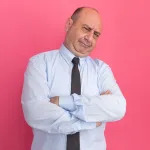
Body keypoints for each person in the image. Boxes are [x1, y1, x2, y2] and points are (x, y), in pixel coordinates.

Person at [21, 7, 126, 150]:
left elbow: (118, 107)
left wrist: (64, 102)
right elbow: (36, 112)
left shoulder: (102, 70)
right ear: (68, 24)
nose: (89, 38)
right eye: (86, 28)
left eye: (95, 34)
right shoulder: (39, 63)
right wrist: (90, 120)